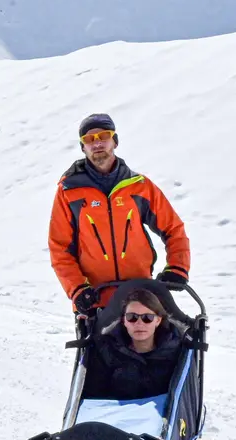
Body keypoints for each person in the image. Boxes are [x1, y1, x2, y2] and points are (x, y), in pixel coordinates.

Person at [48, 113, 190, 320]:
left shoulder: (139, 186)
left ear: (114, 141)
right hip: (93, 300)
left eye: (103, 136)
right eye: (89, 139)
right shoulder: (69, 192)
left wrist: (178, 267)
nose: (97, 144)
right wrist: (77, 289)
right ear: (83, 147)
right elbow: (59, 247)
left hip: (141, 296)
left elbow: (173, 228)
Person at [83, 286, 186, 403]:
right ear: (124, 321)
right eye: (132, 317)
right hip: (115, 417)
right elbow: (93, 397)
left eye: (147, 318)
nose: (139, 323)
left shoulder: (176, 351)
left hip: (163, 418)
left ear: (158, 320)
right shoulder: (106, 350)